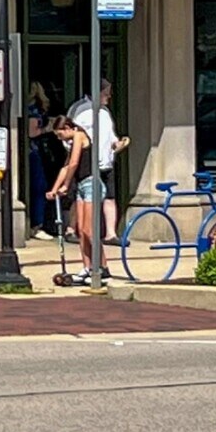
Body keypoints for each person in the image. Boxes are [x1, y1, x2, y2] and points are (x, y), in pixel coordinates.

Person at [68, 81, 129, 245]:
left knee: (109, 196)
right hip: (87, 162)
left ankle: (111, 233)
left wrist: (117, 143)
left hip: (106, 161)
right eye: (106, 92)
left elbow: (110, 135)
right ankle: (72, 228)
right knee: (81, 196)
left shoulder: (105, 112)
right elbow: (69, 134)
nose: (109, 96)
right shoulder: (80, 109)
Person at [46, 115, 99, 285]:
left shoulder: (79, 136)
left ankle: (100, 267)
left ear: (68, 128)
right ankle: (87, 267)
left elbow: (75, 162)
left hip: (91, 183)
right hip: (82, 185)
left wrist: (66, 185)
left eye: (60, 135)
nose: (61, 139)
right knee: (82, 231)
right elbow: (66, 166)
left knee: (89, 231)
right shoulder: (71, 142)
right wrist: (54, 189)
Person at [26, 83, 63, 237]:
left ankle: (39, 223)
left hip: (37, 151)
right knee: (40, 186)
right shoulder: (33, 109)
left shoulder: (34, 108)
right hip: (34, 151)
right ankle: (37, 224)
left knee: (40, 186)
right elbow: (32, 132)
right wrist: (48, 128)